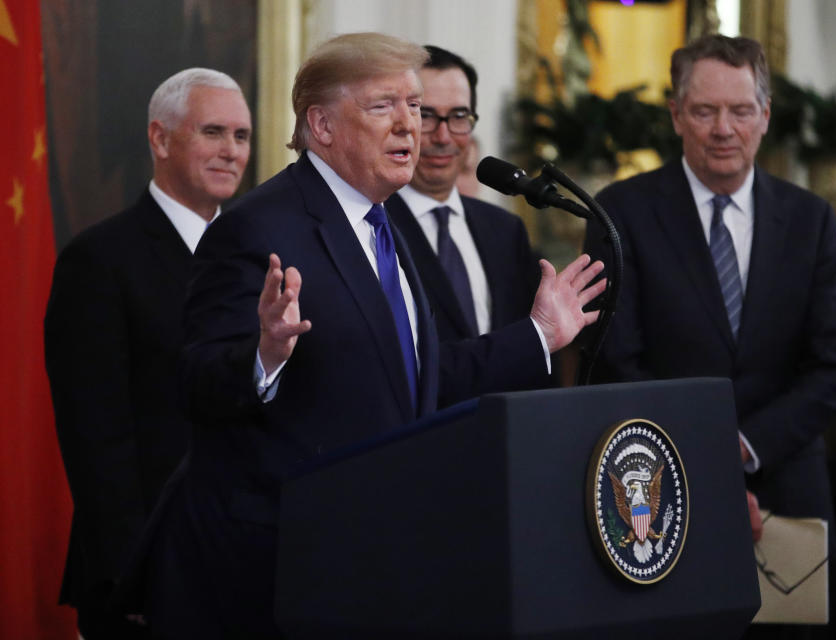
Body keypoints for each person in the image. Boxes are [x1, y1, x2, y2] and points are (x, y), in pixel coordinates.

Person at [137, 33, 604, 638]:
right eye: (384, 106)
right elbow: (195, 383)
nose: (410, 125)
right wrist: (263, 355)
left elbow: (418, 379)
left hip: (381, 567)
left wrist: (539, 335)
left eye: (413, 105)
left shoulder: (383, 225)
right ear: (322, 126)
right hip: (284, 576)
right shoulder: (257, 228)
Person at [582, 33, 836, 618]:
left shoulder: (811, 220)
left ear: (765, 116)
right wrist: (705, 453)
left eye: (740, 111)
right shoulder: (621, 213)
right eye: (705, 111)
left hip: (788, 485)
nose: (723, 129)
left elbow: (832, 369)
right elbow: (616, 363)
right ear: (677, 115)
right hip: (661, 487)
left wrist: (746, 447)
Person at [44, 68, 251, 639]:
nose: (231, 152)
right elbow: (96, 439)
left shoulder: (258, 255)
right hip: (147, 574)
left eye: (241, 136)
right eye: (213, 132)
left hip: (246, 563)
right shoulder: (100, 260)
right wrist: (132, 574)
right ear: (160, 139)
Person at [386, 45, 540, 346]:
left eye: (459, 116)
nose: (443, 137)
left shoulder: (505, 231)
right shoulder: (373, 225)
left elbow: (533, 348)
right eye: (426, 115)